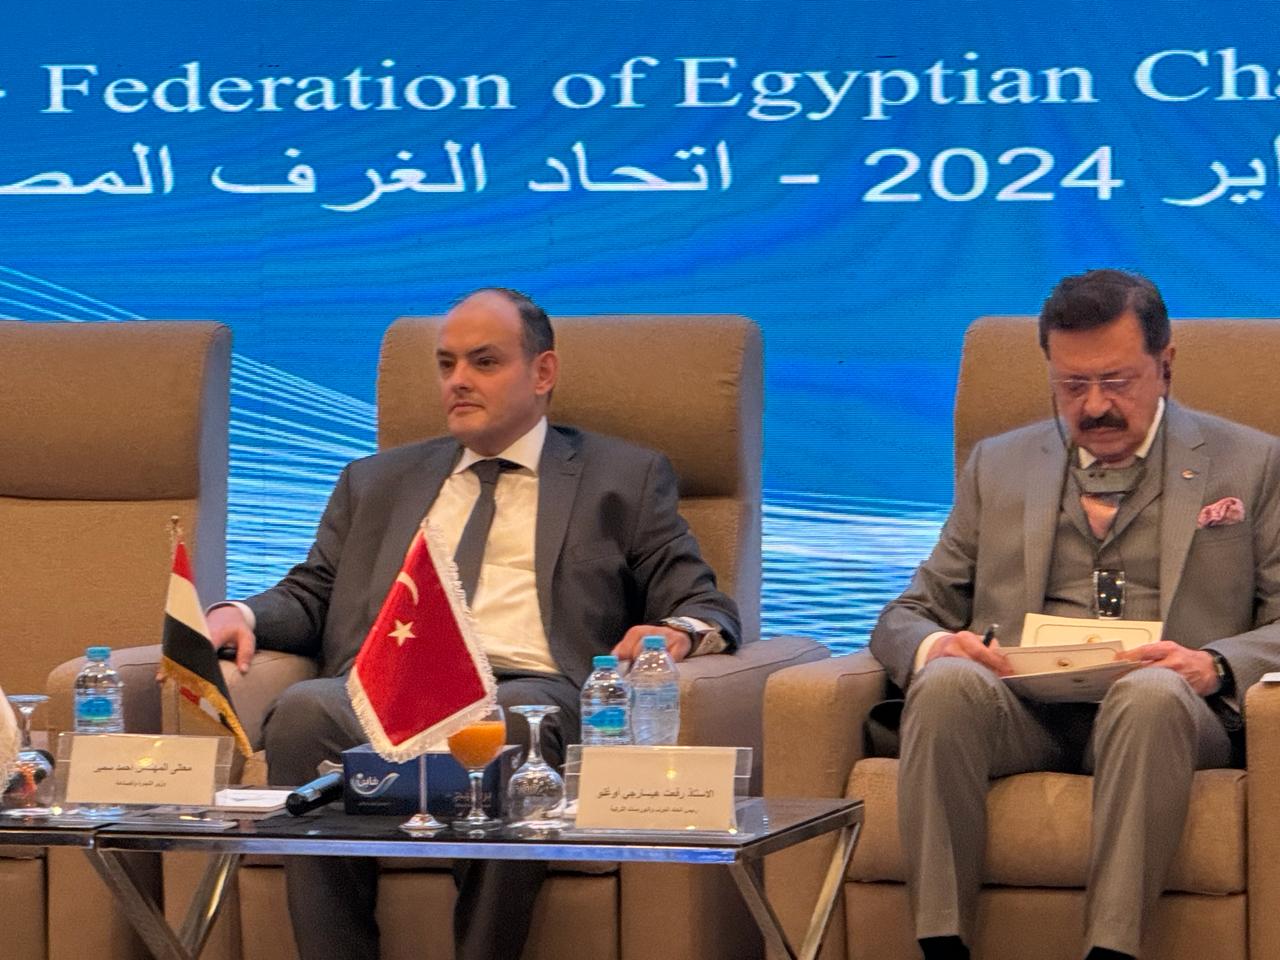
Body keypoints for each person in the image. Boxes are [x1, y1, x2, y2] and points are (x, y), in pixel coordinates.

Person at [206, 287, 740, 960]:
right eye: (446, 364)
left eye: (484, 362)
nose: (458, 380)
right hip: (388, 694)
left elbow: (704, 603)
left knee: (500, 724)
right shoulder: (377, 481)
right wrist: (241, 613)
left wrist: (679, 631)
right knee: (302, 710)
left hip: (528, 691)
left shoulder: (621, 478)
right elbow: (314, 592)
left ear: (542, 373)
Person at [869, 269, 1280, 960]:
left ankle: (1110, 952)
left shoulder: (1252, 463)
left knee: (1150, 695)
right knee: (943, 684)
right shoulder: (997, 466)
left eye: (1116, 382)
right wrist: (938, 646)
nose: (1094, 406)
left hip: (1169, 716)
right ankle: (941, 944)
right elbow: (906, 614)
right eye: (1071, 385)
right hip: (1022, 711)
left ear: (1166, 365)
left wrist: (1212, 664)